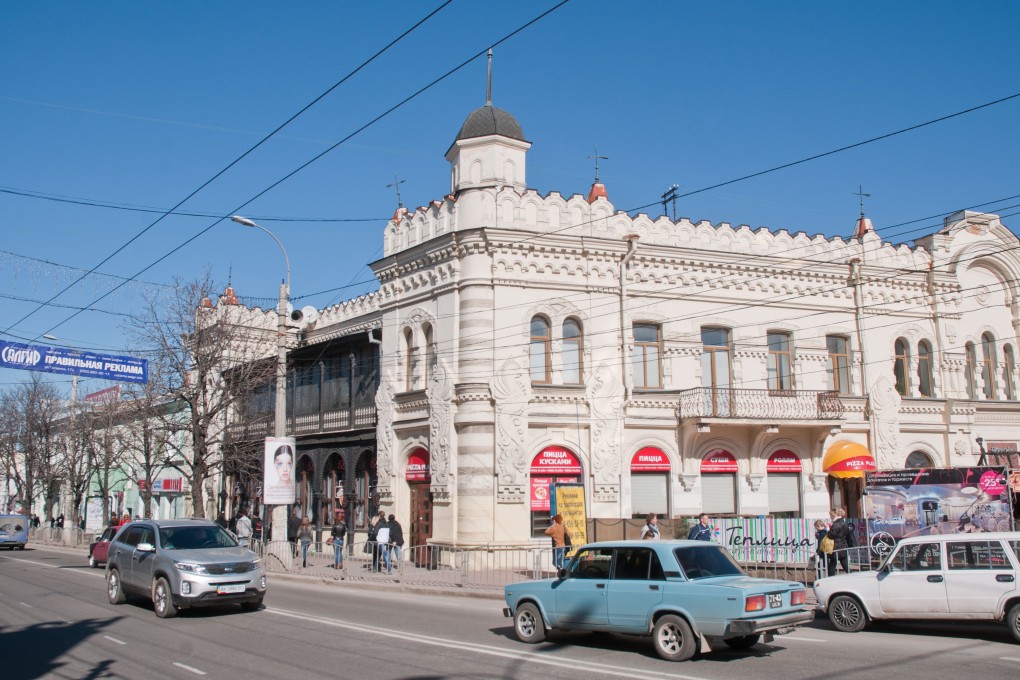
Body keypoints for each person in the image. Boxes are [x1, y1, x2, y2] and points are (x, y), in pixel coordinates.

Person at [827, 507, 851, 576]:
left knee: (832, 565)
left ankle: (830, 580)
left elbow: (831, 535)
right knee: (845, 565)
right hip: (843, 546)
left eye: (831, 515)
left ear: (834, 515)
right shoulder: (844, 523)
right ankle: (853, 578)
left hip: (835, 547)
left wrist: (827, 529)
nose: (830, 517)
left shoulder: (836, 524)